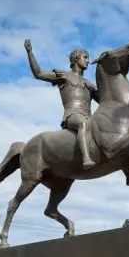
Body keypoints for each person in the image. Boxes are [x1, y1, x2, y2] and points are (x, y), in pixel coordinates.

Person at [24, 39, 99, 170]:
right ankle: (86, 158)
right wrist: (30, 52)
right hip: (72, 115)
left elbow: (105, 101)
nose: (88, 60)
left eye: (88, 58)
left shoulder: (88, 83)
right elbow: (38, 74)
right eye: (85, 57)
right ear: (76, 58)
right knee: (82, 123)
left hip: (89, 117)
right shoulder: (63, 76)